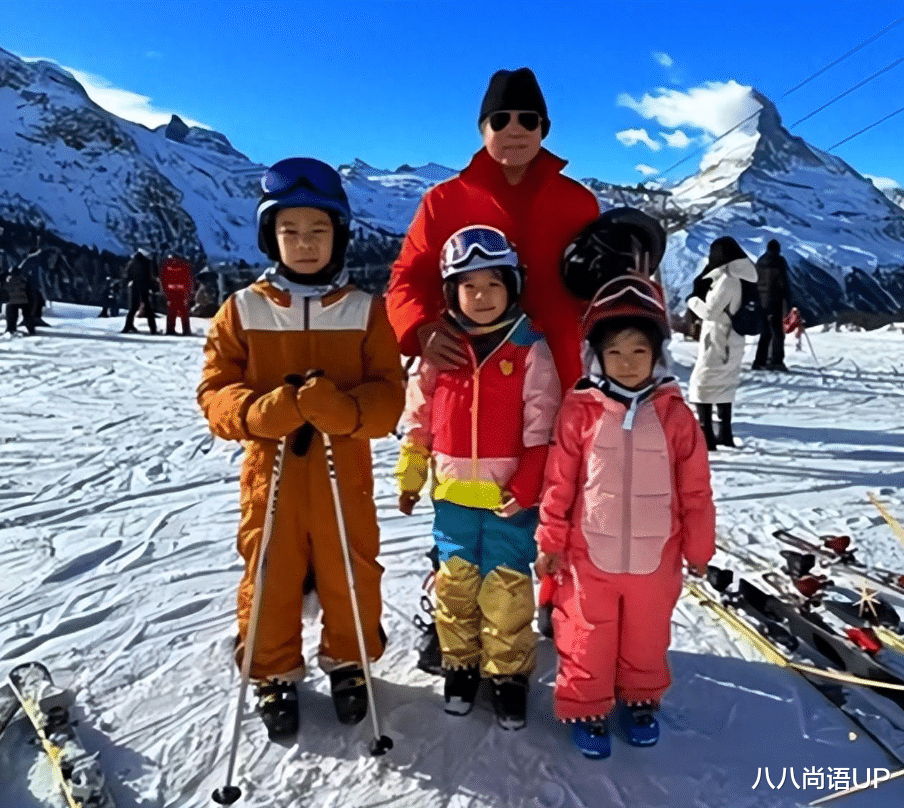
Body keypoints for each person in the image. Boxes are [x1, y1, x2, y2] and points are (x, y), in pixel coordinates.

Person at [197, 157, 405, 740]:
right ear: (272, 236)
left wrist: (347, 411)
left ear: (338, 234)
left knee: (352, 569)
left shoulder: (365, 310)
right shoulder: (243, 308)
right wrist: (262, 412)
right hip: (273, 470)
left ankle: (350, 662)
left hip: (345, 468)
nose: (305, 244)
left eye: (318, 231)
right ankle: (272, 670)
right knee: (270, 570)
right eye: (290, 232)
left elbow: (390, 393)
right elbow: (214, 392)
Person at [535, 273, 715, 759]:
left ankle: (640, 699)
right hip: (588, 552)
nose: (628, 363)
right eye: (615, 352)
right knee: (586, 633)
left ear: (657, 353)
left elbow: (696, 488)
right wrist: (550, 542)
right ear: (596, 356)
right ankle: (586, 705)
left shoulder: (676, 415)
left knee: (647, 633)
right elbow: (559, 482)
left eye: (639, 351)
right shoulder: (581, 411)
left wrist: (699, 547)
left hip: (657, 556)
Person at [395, 226, 560, 729]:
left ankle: (508, 674)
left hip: (507, 496)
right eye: (470, 286)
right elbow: (418, 418)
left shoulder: (529, 348)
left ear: (512, 286)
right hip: (453, 496)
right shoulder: (439, 351)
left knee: (506, 587)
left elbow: (542, 424)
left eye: (493, 284)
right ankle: (460, 664)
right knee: (455, 584)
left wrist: (528, 486)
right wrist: (410, 474)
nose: (482, 296)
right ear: (452, 292)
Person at [386, 66, 599, 391]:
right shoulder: (444, 201)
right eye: (500, 121)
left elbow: (597, 285)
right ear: (482, 130)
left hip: (562, 370)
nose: (514, 131)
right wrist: (420, 326)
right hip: (470, 374)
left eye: (527, 120)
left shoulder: (577, 202)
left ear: (544, 128)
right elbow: (410, 279)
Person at [686, 237, 758, 450]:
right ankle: (724, 433)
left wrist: (692, 300)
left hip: (720, 338)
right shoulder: (739, 276)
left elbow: (710, 312)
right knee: (724, 384)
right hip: (731, 339)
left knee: (702, 384)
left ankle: (707, 436)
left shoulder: (727, 279)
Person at [752, 239, 792, 371]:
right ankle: (776, 360)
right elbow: (783, 282)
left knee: (765, 332)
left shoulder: (760, 261)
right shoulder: (778, 261)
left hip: (760, 301)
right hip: (774, 300)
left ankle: (760, 361)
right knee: (777, 332)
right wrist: (788, 300)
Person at [122, 248, 158, 334]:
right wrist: (154, 288)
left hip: (134, 286)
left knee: (133, 308)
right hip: (144, 287)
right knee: (148, 308)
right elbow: (151, 276)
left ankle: (127, 327)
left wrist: (127, 282)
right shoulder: (147, 262)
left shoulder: (132, 261)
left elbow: (127, 274)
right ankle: (153, 329)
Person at [159, 254, 195, 335]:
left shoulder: (166, 266)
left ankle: (170, 330)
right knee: (183, 313)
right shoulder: (184, 266)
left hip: (173, 293)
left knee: (173, 312)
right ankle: (185, 331)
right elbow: (189, 280)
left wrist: (164, 293)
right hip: (180, 292)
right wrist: (188, 294)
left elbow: (163, 281)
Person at [4, 259, 35, 335]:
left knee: (11, 315)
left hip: (11, 301)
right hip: (24, 300)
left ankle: (10, 329)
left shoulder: (7, 279)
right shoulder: (24, 278)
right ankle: (31, 329)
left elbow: (4, 289)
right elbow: (29, 289)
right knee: (27, 315)